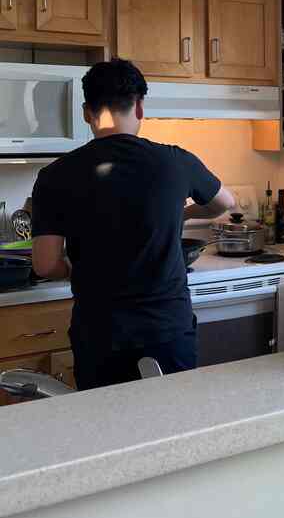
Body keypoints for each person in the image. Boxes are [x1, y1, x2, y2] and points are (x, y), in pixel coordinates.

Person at [31, 58, 236, 390]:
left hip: (99, 336)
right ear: (139, 108)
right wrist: (185, 214)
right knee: (174, 418)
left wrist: (73, 268)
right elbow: (225, 203)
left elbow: (44, 264)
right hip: (167, 331)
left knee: (105, 421)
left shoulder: (55, 175)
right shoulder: (176, 161)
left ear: (87, 113)